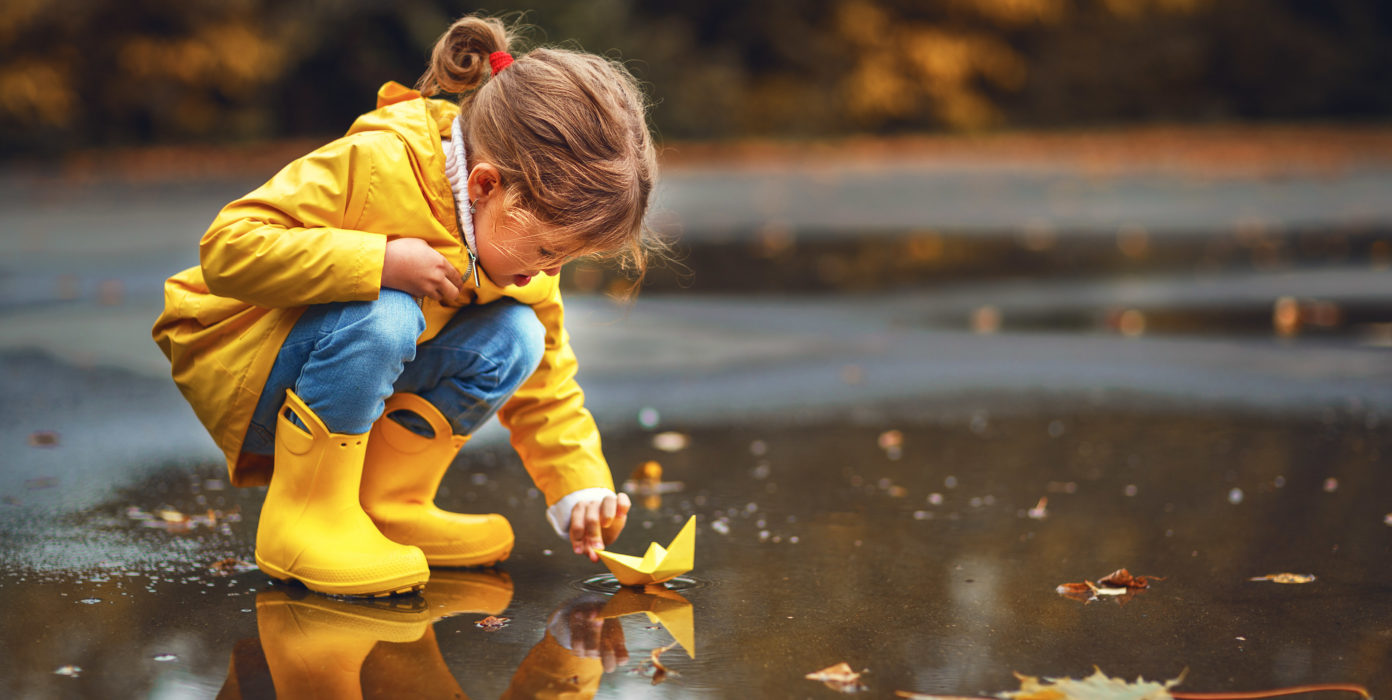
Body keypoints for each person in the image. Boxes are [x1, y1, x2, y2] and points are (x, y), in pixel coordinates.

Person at [152, 13, 656, 597]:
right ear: (486, 186)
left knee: (520, 334)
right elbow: (227, 250)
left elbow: (548, 381)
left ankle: (385, 505)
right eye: (547, 249)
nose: (550, 270)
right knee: (388, 310)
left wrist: (579, 487)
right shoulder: (378, 165)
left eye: (565, 257)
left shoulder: (516, 248)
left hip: (347, 370)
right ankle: (304, 521)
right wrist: (378, 261)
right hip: (246, 361)